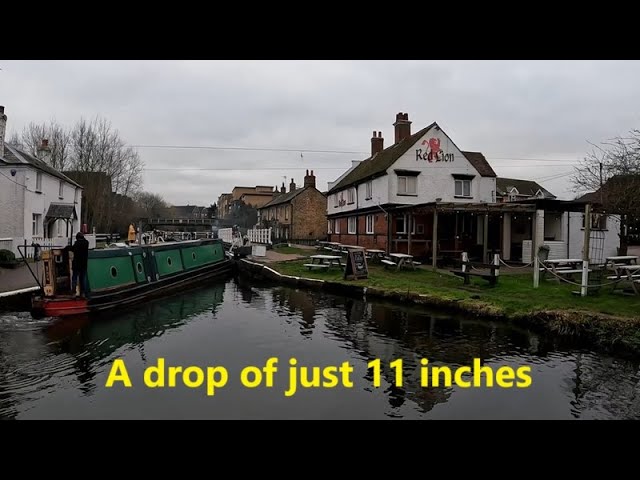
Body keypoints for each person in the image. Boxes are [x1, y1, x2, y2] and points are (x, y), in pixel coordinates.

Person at [71, 232, 90, 298]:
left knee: (74, 278)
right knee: (83, 279)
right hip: (84, 264)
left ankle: (74, 293)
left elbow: (72, 249)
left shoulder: (77, 244)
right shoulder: (86, 243)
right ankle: (83, 293)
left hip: (76, 265)